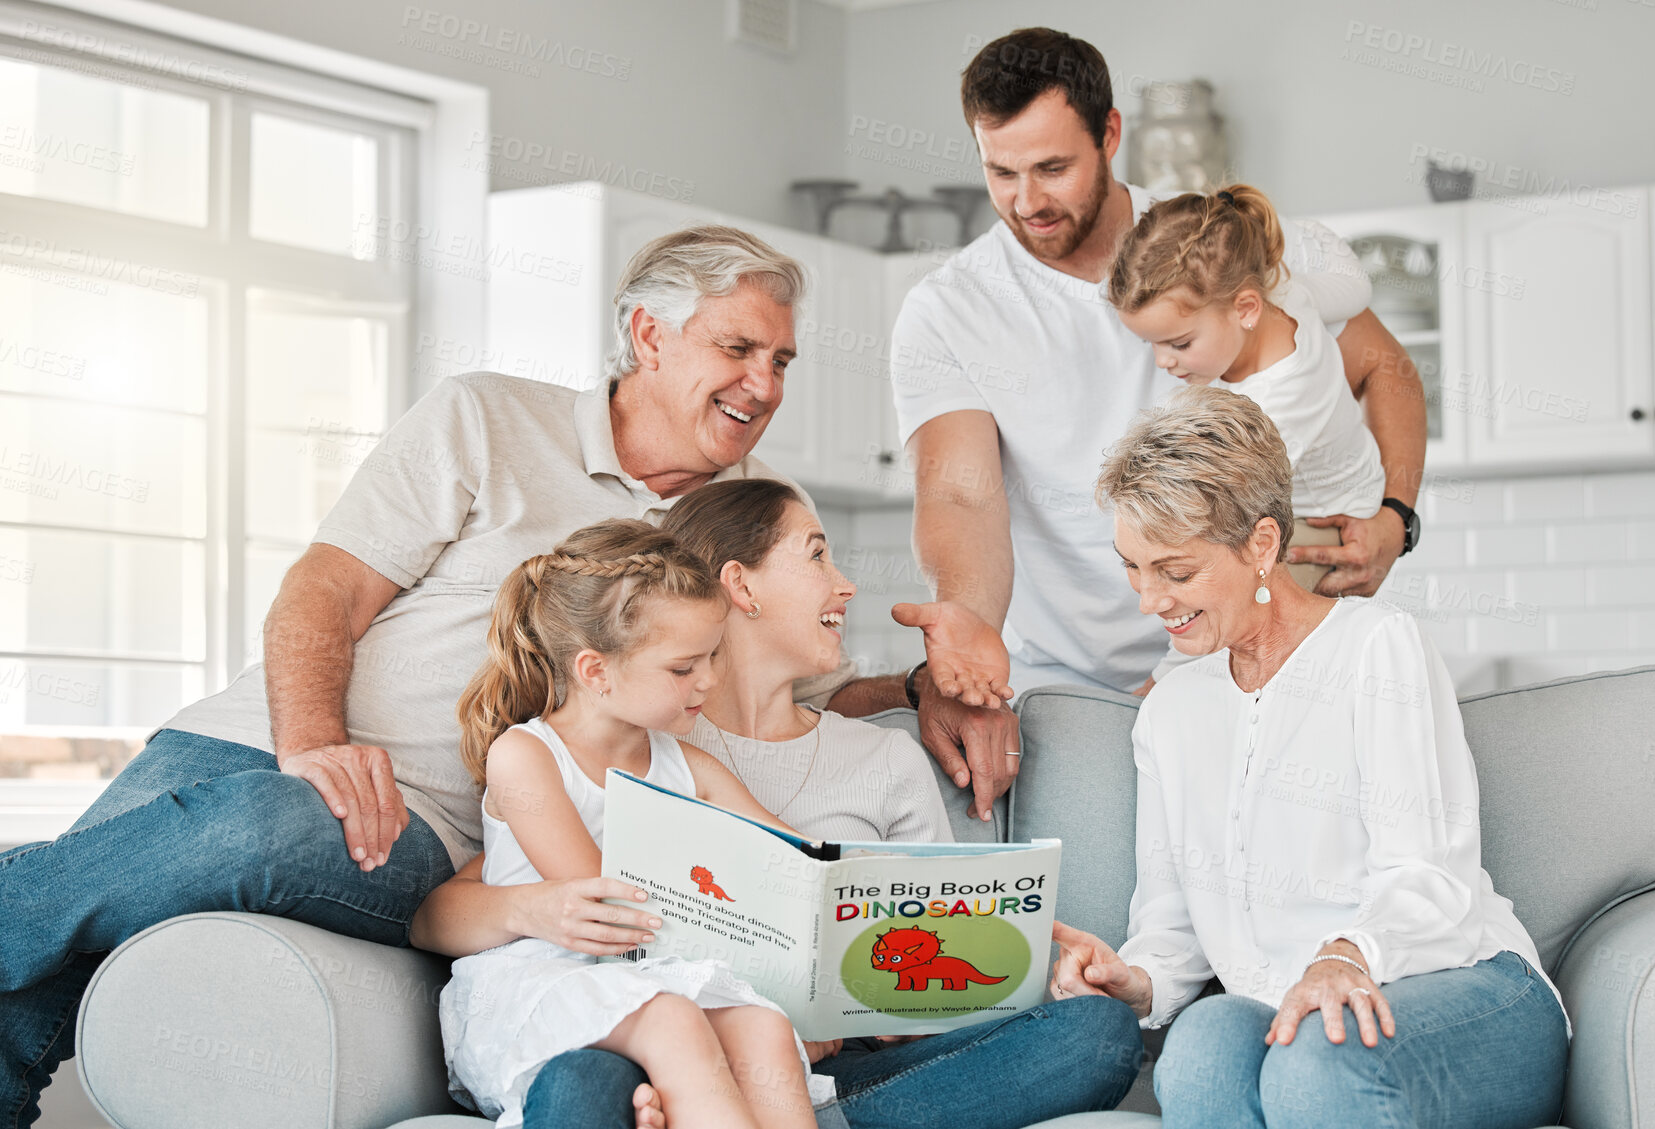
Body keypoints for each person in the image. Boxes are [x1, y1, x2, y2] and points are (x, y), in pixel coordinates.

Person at [0, 225, 1011, 1129]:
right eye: (738, 348)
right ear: (647, 335)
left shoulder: (731, 525)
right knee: (30, 981)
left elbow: (754, 685)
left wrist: (909, 693)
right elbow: (322, 590)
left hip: (417, 821)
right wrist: (313, 744)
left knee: (257, 826)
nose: (765, 383)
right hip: (247, 738)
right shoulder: (484, 416)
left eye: (781, 359)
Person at [414, 478, 1142, 1129]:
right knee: (592, 1075)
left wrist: (1041, 924)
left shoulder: (695, 754)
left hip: (812, 1054)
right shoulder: (576, 747)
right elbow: (563, 907)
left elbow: (817, 862)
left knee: (1092, 1033)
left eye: (704, 660)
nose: (845, 584)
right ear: (739, 587)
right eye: (817, 554)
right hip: (615, 996)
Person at [1047, 386, 1569, 1129]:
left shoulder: (1375, 646)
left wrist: (1344, 954)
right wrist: (1132, 979)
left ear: (1261, 545)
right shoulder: (1170, 710)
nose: (1148, 600)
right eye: (1133, 567)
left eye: (1175, 571)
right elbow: (1171, 926)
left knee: (1318, 1052)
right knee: (1198, 1043)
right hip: (1293, 1006)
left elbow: (1429, 876)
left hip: (1464, 987)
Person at [889, 28, 1427, 705]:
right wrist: (965, 623)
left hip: (1252, 660)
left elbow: (1387, 370)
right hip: (1059, 683)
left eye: (1052, 168)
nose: (1027, 201)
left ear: (1109, 134)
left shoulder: (1208, 242)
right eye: (1001, 172)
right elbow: (960, 495)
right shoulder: (948, 309)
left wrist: (1394, 518)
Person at [441, 520, 830, 1129]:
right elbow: (602, 900)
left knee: (764, 1026)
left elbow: (800, 856)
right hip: (546, 977)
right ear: (595, 672)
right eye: (683, 668)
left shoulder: (689, 766)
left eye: (714, 656)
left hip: (651, 967)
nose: (709, 680)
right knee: (674, 1016)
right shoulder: (525, 755)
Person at [1106, 182, 1389, 681]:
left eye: (1179, 343)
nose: (1163, 362)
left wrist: (1162, 679)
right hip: (1312, 487)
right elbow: (1354, 286)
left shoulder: (1280, 404)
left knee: (1227, 618)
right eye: (1151, 345)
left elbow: (1202, 529)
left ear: (1245, 309)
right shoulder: (1283, 289)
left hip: (1328, 520)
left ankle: (1164, 688)